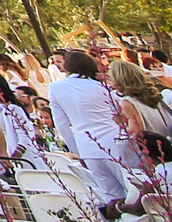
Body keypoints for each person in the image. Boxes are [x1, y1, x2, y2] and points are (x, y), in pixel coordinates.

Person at [44, 49, 137, 208]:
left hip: (87, 146)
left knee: (112, 196)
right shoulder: (101, 87)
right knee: (133, 191)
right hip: (115, 142)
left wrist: (78, 151)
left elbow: (62, 125)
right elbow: (119, 115)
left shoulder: (56, 88)